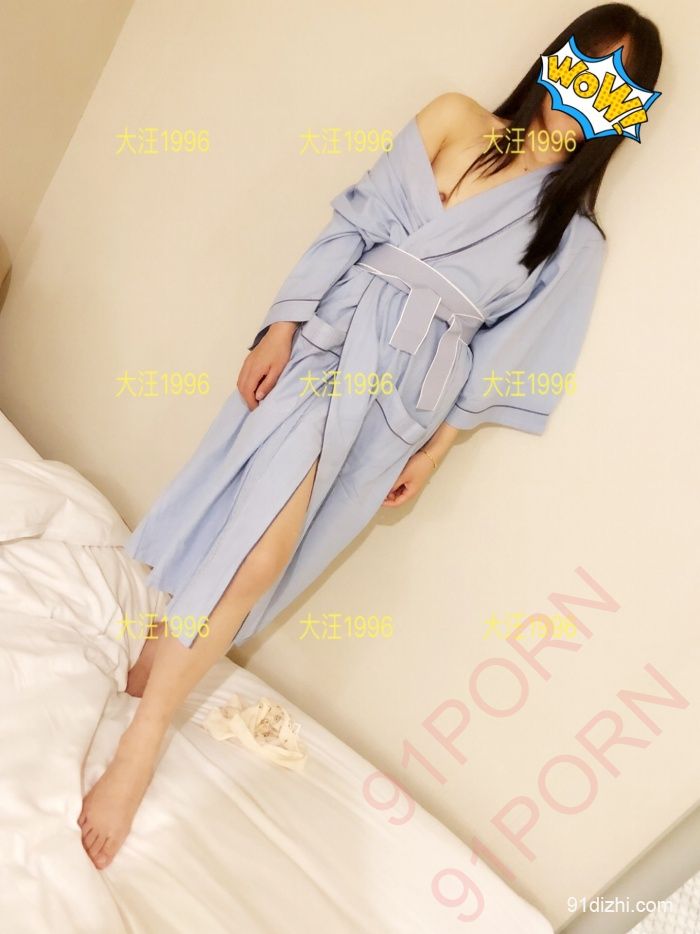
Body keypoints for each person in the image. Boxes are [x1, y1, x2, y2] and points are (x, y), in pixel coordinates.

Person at [78, 4, 662, 870]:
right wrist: (279, 325)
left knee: (276, 546)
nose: (587, 96)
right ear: (558, 56)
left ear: (626, 113)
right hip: (331, 342)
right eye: (586, 66)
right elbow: (349, 227)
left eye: (614, 89)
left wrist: (435, 452)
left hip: (401, 403)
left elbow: (503, 360)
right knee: (261, 546)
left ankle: (167, 653)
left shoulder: (572, 241)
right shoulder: (458, 118)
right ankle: (145, 738)